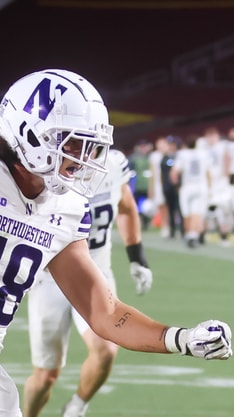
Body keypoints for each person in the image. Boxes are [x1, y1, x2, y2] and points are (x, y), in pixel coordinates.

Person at [0, 69, 232, 417]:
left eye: (90, 146)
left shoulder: (65, 207)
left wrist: (181, 338)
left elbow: (104, 312)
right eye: (73, 144)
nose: (83, 158)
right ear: (30, 134)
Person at [24, 148, 154, 417]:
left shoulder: (113, 163)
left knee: (106, 350)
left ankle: (76, 407)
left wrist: (137, 256)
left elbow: (127, 207)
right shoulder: (41, 163)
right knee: (46, 375)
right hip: (50, 279)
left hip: (97, 273)